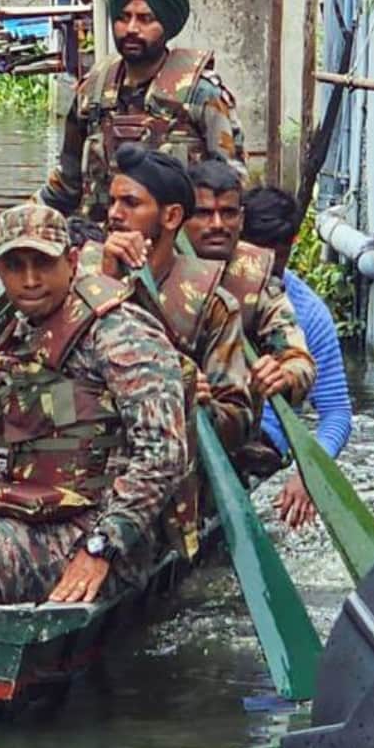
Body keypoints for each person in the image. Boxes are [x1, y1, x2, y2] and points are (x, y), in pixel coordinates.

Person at [0, 204, 193, 606]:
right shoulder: (23, 331)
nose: (30, 280)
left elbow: (163, 456)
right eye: (15, 266)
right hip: (33, 508)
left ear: (70, 261)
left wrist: (101, 546)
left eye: (43, 264)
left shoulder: (119, 332)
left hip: (101, 531)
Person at [0, 0, 246, 249]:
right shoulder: (93, 92)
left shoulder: (201, 95)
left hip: (174, 254)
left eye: (146, 19)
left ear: (166, 27)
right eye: (123, 18)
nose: (132, 28)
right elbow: (66, 184)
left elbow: (231, 184)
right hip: (98, 250)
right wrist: (5, 227)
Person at [97, 145, 256, 451]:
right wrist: (106, 281)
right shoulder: (80, 277)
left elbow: (238, 424)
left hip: (169, 470)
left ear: (171, 217)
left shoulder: (214, 306)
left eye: (130, 203)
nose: (115, 214)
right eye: (113, 201)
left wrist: (199, 402)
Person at [242, 186, 351, 530]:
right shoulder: (199, 292)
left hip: (264, 451)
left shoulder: (310, 313)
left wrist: (310, 470)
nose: (266, 272)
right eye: (256, 258)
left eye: (278, 259)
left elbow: (336, 413)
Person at [187, 159, 317, 422]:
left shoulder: (255, 279)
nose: (217, 224)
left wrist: (285, 374)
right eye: (203, 213)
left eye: (228, 213)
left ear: (242, 218)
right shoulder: (156, 263)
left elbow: (300, 359)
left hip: (232, 434)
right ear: (178, 216)